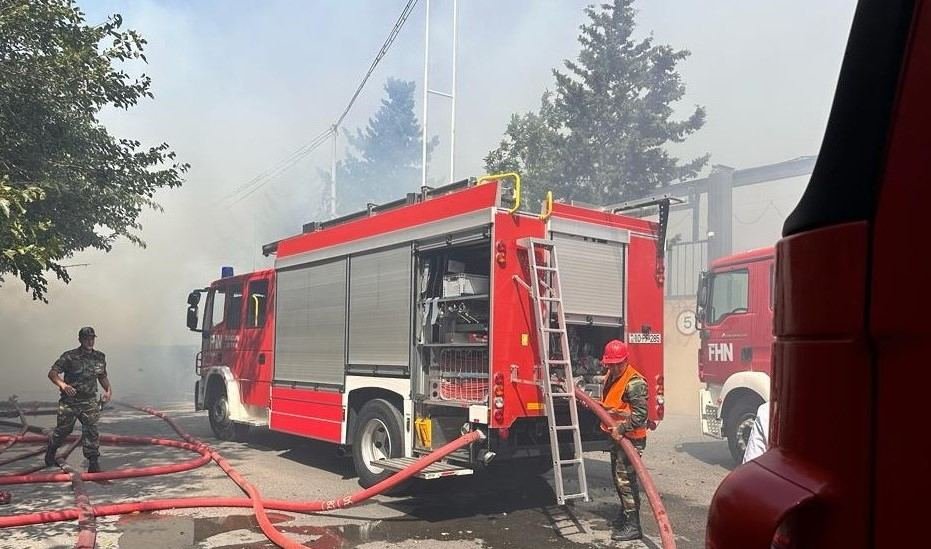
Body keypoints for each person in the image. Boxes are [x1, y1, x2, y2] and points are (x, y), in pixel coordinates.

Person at [45, 327, 112, 473]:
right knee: (63, 430)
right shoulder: (69, 356)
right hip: (70, 401)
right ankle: (51, 450)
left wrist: (108, 390)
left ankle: (93, 463)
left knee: (91, 430)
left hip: (89, 401)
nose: (90, 341)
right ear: (80, 340)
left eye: (92, 338)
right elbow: (52, 373)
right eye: (86, 339)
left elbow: (102, 376)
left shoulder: (99, 357)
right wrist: (63, 385)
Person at [600, 339, 648, 541]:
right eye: (610, 364)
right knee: (619, 480)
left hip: (631, 439)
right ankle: (625, 515)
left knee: (626, 481)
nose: (613, 368)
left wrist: (621, 428)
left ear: (625, 361)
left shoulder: (635, 383)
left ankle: (633, 525)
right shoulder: (612, 376)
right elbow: (614, 404)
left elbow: (640, 416)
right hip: (618, 438)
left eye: (617, 364)